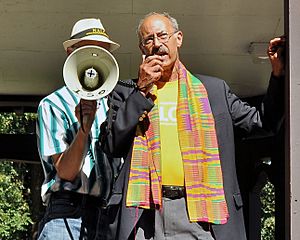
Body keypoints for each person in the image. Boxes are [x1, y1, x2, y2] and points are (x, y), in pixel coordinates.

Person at [100, 12, 285, 240]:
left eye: (162, 35)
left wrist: (278, 74)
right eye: (148, 39)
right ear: (142, 48)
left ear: (178, 39)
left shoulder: (213, 91)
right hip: (145, 213)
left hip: (201, 213)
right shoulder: (126, 92)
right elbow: (111, 145)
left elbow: (262, 123)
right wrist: (141, 91)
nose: (157, 44)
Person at [36, 18, 122, 239]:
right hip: (67, 214)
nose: (95, 57)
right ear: (70, 52)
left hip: (106, 214)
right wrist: (84, 130)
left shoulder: (113, 104)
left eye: (102, 51)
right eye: (88, 49)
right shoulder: (53, 104)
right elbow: (65, 172)